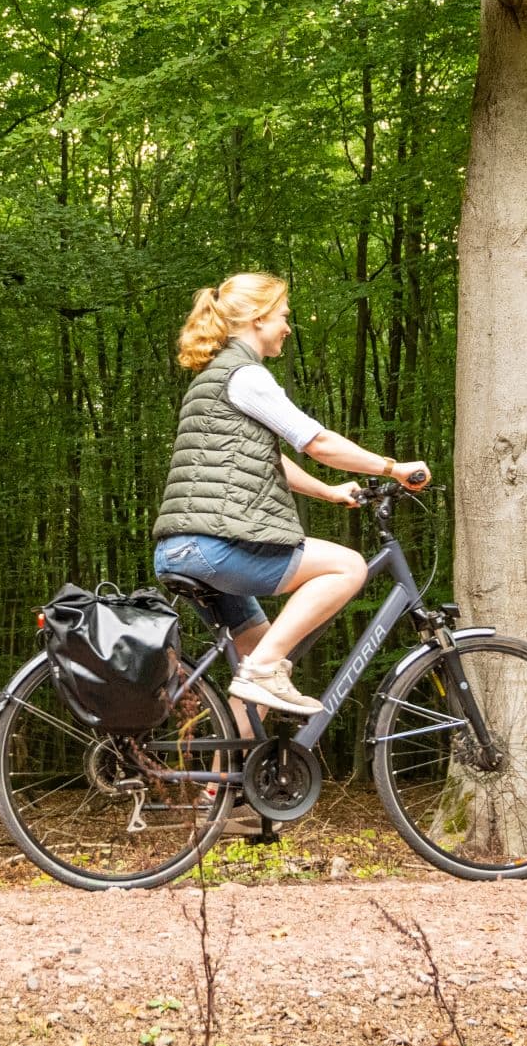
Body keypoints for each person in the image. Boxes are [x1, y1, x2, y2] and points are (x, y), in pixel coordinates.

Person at [153, 272, 427, 721]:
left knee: (256, 651)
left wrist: (329, 492)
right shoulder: (245, 376)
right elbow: (316, 442)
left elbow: (268, 460)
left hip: (181, 547)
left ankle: (222, 787)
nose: (287, 326)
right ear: (258, 318)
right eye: (283, 316)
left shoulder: (212, 378)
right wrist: (391, 467)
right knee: (348, 566)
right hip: (213, 547)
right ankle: (262, 670)